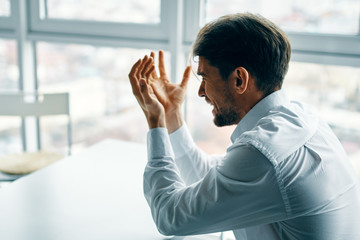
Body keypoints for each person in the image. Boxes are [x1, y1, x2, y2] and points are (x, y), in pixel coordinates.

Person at [128, 13, 360, 240]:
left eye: (206, 78)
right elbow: (209, 178)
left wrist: (155, 121)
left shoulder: (263, 152)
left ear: (239, 79)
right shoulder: (303, 118)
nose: (200, 92)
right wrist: (171, 115)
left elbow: (170, 217)